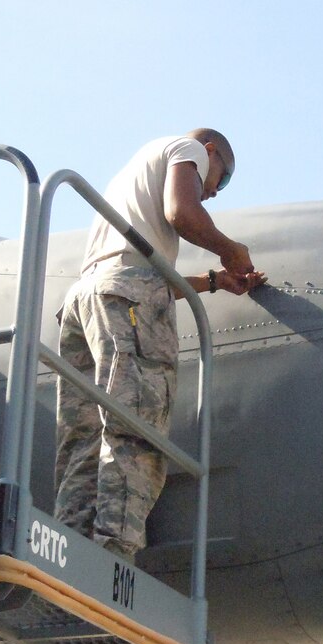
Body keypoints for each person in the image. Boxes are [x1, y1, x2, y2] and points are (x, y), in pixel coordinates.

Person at [54, 129, 265, 561]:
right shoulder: (185, 150)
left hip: (87, 297)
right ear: (210, 154)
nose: (212, 193)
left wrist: (212, 282)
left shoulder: (132, 176)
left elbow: (138, 270)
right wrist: (230, 250)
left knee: (85, 437)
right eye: (220, 181)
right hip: (126, 296)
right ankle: (114, 555)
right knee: (137, 425)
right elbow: (181, 213)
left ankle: (69, 548)